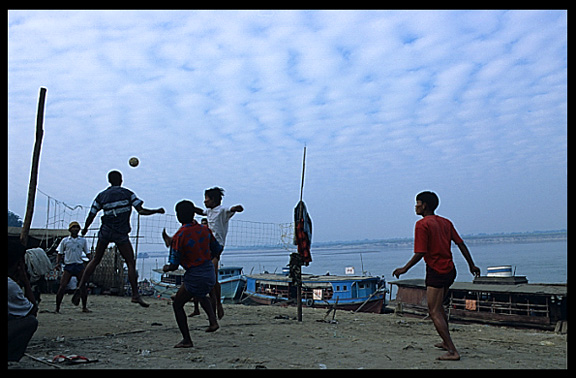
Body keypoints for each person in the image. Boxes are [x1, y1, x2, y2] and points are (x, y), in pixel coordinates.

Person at [393, 191, 480, 361]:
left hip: (436, 271)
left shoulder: (422, 224)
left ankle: (453, 351)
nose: (415, 206)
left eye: (417, 203)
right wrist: (471, 264)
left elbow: (420, 252)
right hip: (450, 270)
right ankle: (446, 342)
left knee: (433, 310)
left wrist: (404, 269)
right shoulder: (446, 222)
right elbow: (460, 244)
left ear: (424, 205)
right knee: (439, 307)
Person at [73, 170, 165, 308]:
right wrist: (156, 211)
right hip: (120, 233)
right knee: (130, 261)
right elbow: (141, 210)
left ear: (109, 181)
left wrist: (85, 228)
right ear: (121, 180)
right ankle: (135, 294)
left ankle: (81, 286)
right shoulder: (127, 193)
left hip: (105, 231)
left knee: (96, 259)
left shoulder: (102, 196)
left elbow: (92, 213)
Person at [163, 200, 222, 348]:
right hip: (209, 271)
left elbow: (174, 264)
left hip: (195, 274)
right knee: (201, 294)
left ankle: (187, 340)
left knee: (177, 304)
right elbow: (217, 249)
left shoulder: (179, 236)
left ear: (178, 216)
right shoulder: (204, 230)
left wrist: (166, 268)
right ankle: (213, 321)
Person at [8, 239, 39, 362]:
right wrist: (25, 281)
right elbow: (32, 310)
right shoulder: (10, 286)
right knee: (30, 321)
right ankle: (12, 358)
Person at [55, 221, 91, 313]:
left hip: (79, 265)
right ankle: (57, 308)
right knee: (62, 286)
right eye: (73, 227)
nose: (75, 229)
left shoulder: (82, 240)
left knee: (83, 286)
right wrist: (58, 263)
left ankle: (84, 307)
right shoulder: (65, 241)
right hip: (68, 265)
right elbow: (60, 253)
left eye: (77, 227)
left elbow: (87, 253)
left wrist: (91, 262)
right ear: (70, 230)